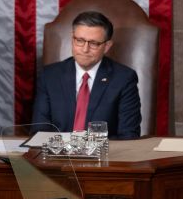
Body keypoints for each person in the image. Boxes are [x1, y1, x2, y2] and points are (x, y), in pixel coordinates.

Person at [32, 11, 141, 139]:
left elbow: (129, 136)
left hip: (104, 156)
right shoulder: (49, 76)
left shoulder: (124, 79)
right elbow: (39, 131)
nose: (85, 49)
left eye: (93, 43)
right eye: (80, 40)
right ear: (72, 39)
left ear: (106, 46)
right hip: (58, 155)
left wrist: (88, 149)